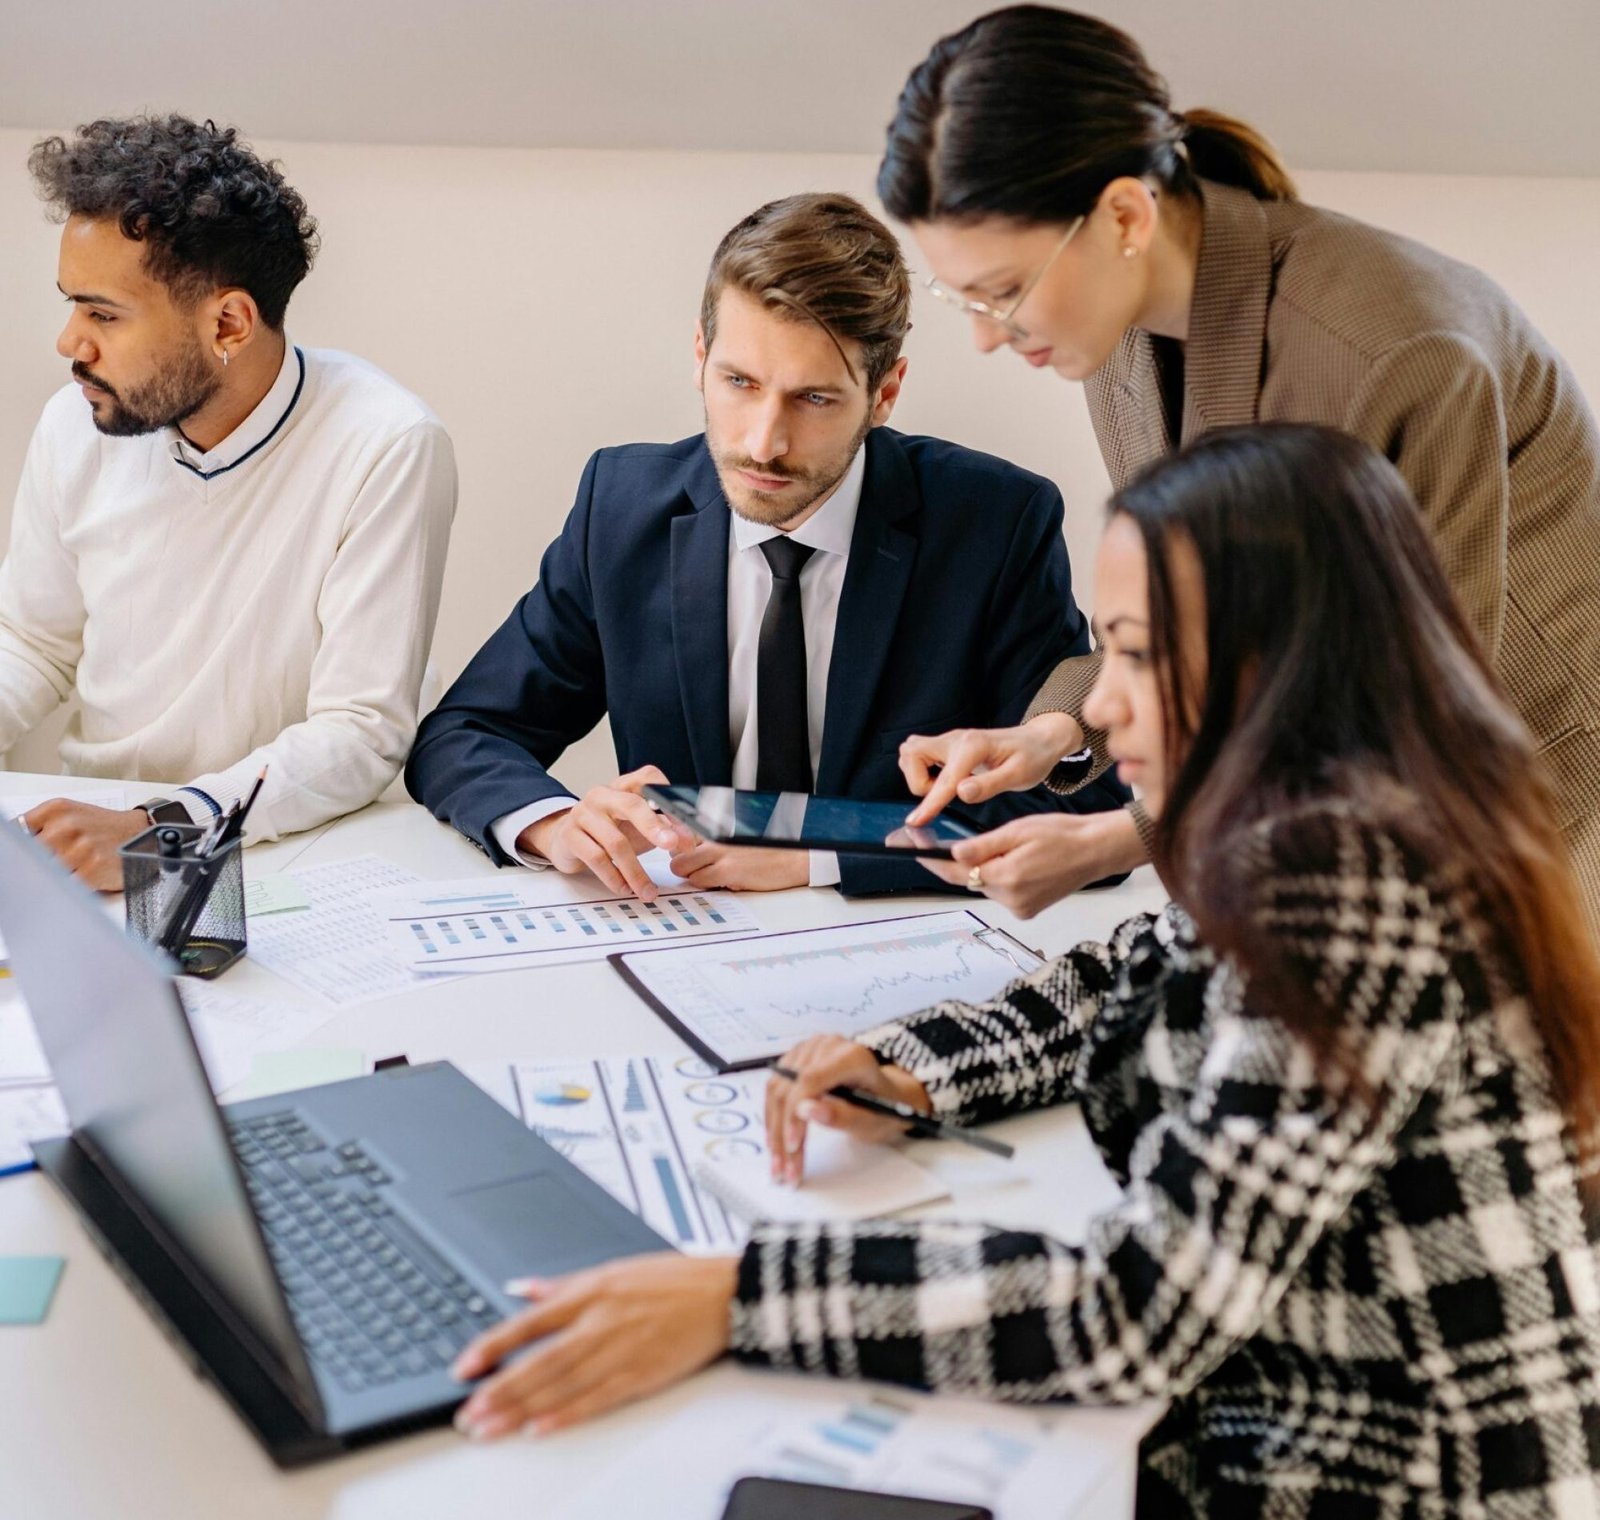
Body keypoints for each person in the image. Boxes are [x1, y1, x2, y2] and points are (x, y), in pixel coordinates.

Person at [445, 426, 1600, 1518]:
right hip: (1283, 1401)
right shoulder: (1308, 813)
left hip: (1384, 1469)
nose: (1095, 706)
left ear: (1277, 663)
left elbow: (1131, 1312)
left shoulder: (1351, 893)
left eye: (1139, 656)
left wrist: (736, 1296)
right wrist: (909, 1063)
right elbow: (1124, 972)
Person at [872, 5, 1600, 930]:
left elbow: (1399, 710)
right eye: (962, 297)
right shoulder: (1119, 342)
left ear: (1125, 214)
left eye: (1004, 292)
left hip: (1538, 797)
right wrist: (1056, 733)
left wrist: (1115, 839)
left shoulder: (1401, 351)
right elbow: (1189, 619)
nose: (983, 338)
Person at [406, 192, 1125, 898]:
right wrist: (556, 824)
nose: (763, 443)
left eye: (814, 399)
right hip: (681, 941)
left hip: (905, 944)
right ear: (699, 354)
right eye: (739, 382)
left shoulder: (995, 522)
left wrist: (825, 857)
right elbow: (467, 732)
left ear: (886, 393)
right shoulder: (620, 509)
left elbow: (1083, 807)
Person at [4, 115, 457, 888]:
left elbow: (359, 733)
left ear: (228, 323)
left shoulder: (386, 441)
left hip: (291, 849)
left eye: (102, 314)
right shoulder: (72, 422)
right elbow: (33, 642)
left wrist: (157, 831)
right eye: (71, 305)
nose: (70, 343)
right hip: (98, 837)